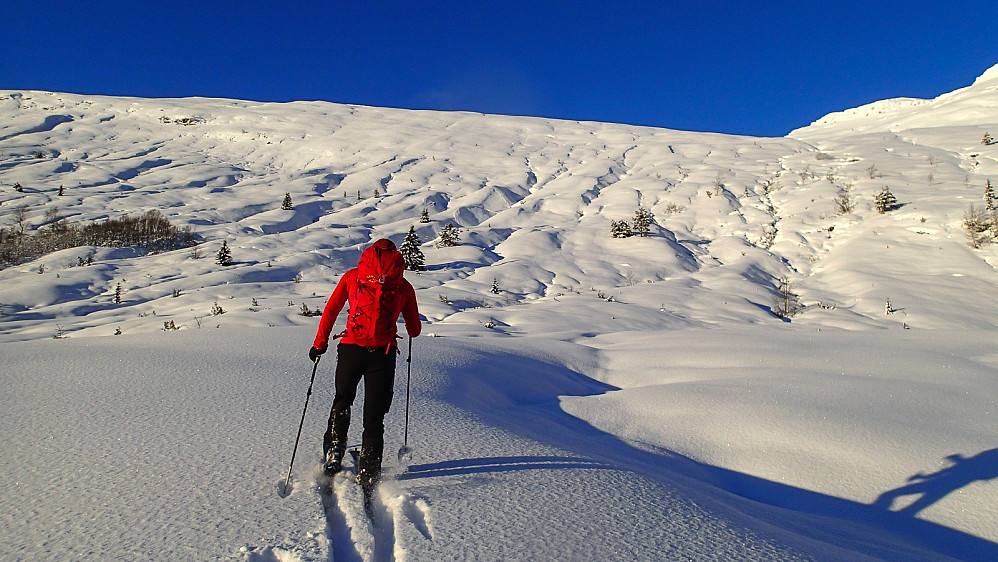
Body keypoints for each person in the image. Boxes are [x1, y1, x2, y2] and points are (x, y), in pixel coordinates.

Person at [309, 238, 421, 489]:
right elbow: (414, 329)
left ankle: (335, 449)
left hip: (351, 349)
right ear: (396, 260)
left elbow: (331, 310)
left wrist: (320, 343)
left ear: (368, 256)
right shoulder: (402, 286)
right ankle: (370, 468)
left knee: (343, 398)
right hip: (382, 353)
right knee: (374, 416)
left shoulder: (353, 277)